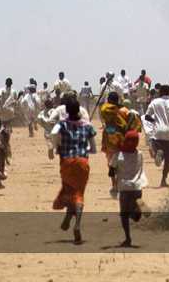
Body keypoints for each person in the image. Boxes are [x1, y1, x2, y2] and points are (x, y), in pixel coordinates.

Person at [50, 98, 96, 245]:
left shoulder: (62, 124)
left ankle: (69, 218)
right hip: (82, 163)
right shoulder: (88, 126)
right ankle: (76, 224)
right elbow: (93, 148)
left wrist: (55, 147)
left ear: (66, 111)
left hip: (66, 162)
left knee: (69, 190)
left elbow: (53, 133)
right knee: (79, 194)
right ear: (79, 110)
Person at [111, 129, 147, 247]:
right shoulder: (140, 154)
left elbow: (111, 171)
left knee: (124, 215)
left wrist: (114, 186)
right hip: (137, 187)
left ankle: (128, 238)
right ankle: (138, 207)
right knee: (135, 216)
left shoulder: (118, 155)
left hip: (124, 188)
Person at [145, 84, 169, 187]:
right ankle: (163, 179)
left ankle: (158, 153)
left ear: (160, 92)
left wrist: (155, 120)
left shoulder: (154, 102)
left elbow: (147, 116)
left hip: (158, 132)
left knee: (156, 145)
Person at [99, 92, 128, 197]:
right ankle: (118, 184)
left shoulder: (105, 110)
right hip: (122, 140)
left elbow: (102, 110)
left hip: (109, 140)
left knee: (110, 163)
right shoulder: (124, 111)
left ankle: (114, 184)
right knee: (120, 163)